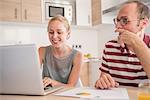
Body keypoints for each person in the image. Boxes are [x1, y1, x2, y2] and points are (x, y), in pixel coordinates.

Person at [95, 0, 150, 89]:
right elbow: (103, 80)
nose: (117, 26)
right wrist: (102, 82)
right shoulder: (110, 47)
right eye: (117, 21)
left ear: (143, 23)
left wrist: (135, 42)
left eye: (125, 20)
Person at [39, 15, 83, 88]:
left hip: (68, 95)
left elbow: (71, 86)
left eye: (59, 32)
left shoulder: (77, 56)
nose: (54, 36)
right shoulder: (42, 51)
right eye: (51, 32)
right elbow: (33, 76)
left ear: (68, 34)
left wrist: (53, 83)